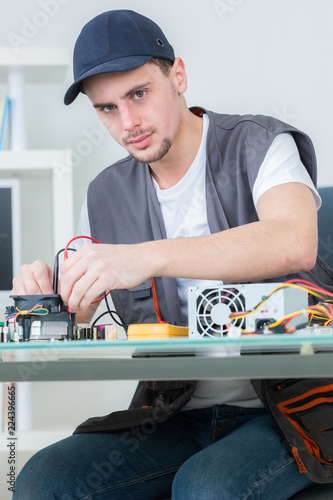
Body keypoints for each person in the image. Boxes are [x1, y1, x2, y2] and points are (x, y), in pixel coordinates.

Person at [13, 9, 324, 500]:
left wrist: (146, 257)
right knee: (42, 482)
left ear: (177, 76)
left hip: (288, 411)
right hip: (173, 415)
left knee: (205, 487)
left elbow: (294, 240)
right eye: (107, 108)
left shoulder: (261, 144)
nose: (128, 122)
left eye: (138, 94)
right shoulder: (104, 194)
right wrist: (45, 298)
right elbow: (82, 307)